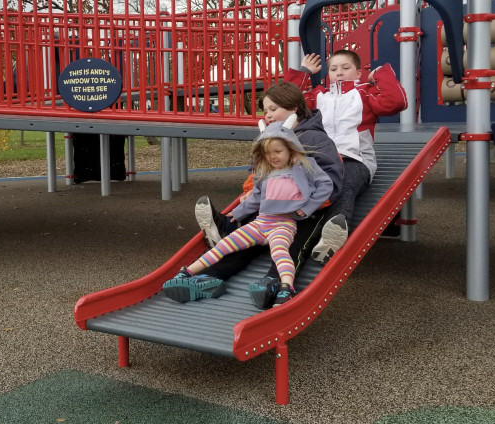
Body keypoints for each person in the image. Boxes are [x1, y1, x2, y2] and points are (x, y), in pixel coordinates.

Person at [163, 82, 343, 308]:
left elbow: (331, 179)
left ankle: (276, 284)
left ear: (294, 108)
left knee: (290, 246)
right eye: (265, 110)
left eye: (273, 109)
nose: (267, 115)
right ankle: (210, 276)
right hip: (268, 211)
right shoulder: (267, 138)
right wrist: (248, 196)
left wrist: (306, 205)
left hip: (304, 211)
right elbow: (257, 174)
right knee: (241, 240)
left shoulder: (314, 137)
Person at [289, 49, 408, 263]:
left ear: (358, 73)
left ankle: (335, 229)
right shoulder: (318, 96)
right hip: (320, 160)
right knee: (296, 184)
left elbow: (396, 102)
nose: (339, 73)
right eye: (334, 69)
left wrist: (380, 74)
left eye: (346, 68)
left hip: (355, 159)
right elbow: (287, 103)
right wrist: (304, 72)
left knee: (344, 183)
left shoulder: (365, 93)